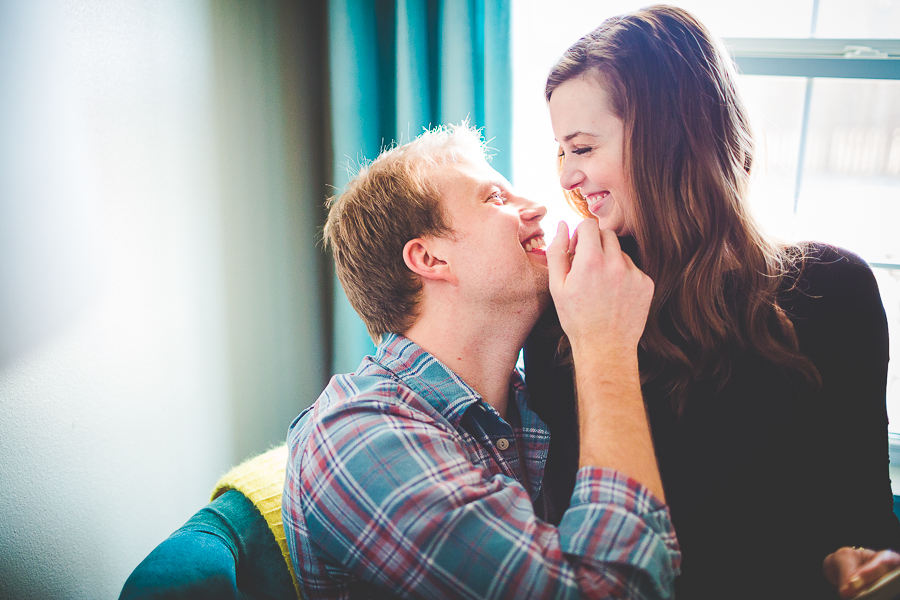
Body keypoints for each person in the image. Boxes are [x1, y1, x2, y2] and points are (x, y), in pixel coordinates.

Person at [524, 5, 900, 599]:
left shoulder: (835, 290)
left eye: (583, 147)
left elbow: (863, 507)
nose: (567, 177)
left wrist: (859, 564)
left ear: (668, 133)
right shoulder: (567, 312)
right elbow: (576, 533)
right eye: (562, 152)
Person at [281, 124, 681, 599]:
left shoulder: (532, 407)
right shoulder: (356, 437)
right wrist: (604, 344)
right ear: (430, 257)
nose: (536, 207)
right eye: (495, 198)